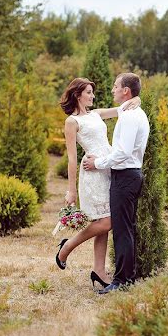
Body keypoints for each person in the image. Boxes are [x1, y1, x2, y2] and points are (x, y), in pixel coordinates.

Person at [55, 77, 140, 291]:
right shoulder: (72, 122)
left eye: (93, 92)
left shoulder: (96, 114)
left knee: (103, 223)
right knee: (105, 222)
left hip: (108, 170)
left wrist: (136, 100)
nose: (93, 96)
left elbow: (122, 108)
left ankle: (99, 270)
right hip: (92, 172)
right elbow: (72, 158)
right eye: (89, 92)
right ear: (77, 94)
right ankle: (66, 248)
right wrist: (71, 190)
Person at [83, 72, 149, 294]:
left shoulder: (131, 116)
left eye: (115, 86)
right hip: (129, 175)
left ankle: (121, 281)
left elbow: (122, 153)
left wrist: (98, 163)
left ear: (125, 91)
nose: (112, 90)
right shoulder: (131, 110)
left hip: (126, 176)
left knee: (122, 231)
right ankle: (127, 277)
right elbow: (106, 113)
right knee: (126, 229)